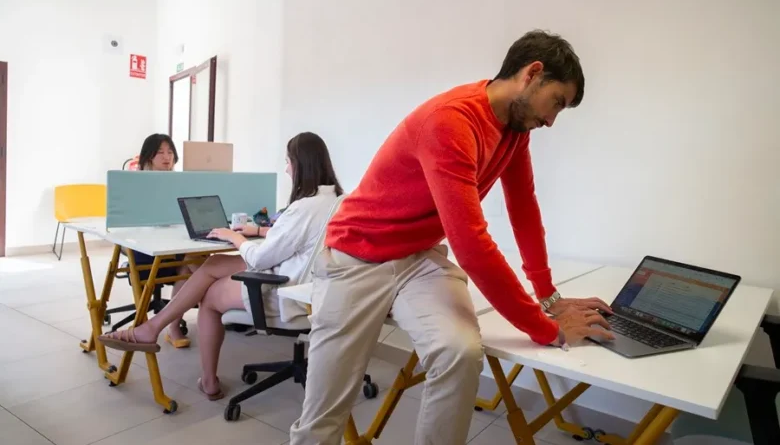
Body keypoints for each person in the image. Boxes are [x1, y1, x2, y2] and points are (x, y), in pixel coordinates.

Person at [289, 30, 616, 445]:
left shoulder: (516, 130)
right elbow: (472, 245)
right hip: (356, 256)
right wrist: (548, 329)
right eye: (556, 103)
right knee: (324, 416)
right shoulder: (451, 121)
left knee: (460, 353)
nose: (552, 120)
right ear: (532, 74)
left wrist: (548, 297)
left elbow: (524, 209)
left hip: (418, 258)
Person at [99, 132, 344, 400]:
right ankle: (153, 328)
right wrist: (260, 232)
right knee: (213, 263)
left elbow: (261, 259)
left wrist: (234, 237)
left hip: (283, 290)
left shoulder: (303, 207)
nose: (286, 169)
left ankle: (208, 380)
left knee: (210, 297)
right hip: (308, 284)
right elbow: (298, 240)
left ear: (301, 164)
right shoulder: (338, 201)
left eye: (288, 162)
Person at [131, 134, 194, 348]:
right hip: (146, 248)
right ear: (148, 156)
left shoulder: (180, 182)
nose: (167, 157)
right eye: (160, 152)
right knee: (197, 265)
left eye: (170, 152)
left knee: (195, 261)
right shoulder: (135, 183)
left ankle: (173, 326)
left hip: (175, 244)